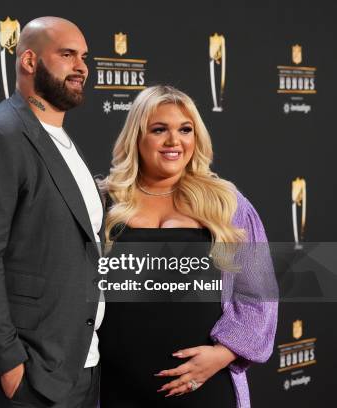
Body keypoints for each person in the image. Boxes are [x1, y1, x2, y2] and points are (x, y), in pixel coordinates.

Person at [0, 16, 103, 407]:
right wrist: (9, 365)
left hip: (79, 365)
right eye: (67, 54)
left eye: (83, 56)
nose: (81, 66)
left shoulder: (63, 142)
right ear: (29, 61)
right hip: (27, 377)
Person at [98, 85, 278, 408]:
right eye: (159, 130)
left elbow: (259, 296)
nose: (174, 141)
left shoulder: (227, 204)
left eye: (185, 129)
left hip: (206, 390)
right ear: (136, 136)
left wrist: (222, 354)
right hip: (114, 388)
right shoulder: (101, 202)